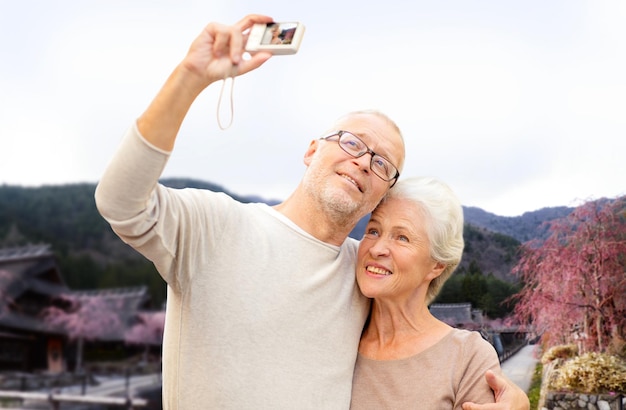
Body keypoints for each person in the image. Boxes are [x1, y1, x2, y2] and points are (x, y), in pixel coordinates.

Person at [94, 14, 528, 409]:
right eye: (352, 142)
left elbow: (420, 340)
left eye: (382, 164)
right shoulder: (215, 225)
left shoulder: (362, 275)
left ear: (380, 195)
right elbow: (119, 202)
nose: (362, 160)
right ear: (311, 150)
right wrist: (189, 78)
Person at [350, 176, 507, 409]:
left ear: (436, 265)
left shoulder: (466, 357)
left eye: (402, 237)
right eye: (373, 231)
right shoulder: (339, 337)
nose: (377, 248)